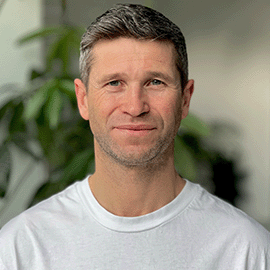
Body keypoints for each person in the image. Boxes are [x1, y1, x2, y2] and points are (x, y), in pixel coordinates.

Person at [0, 3, 269, 269]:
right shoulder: (22, 248)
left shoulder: (245, 250)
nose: (135, 106)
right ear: (83, 99)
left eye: (155, 82)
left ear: (185, 99)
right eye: (114, 83)